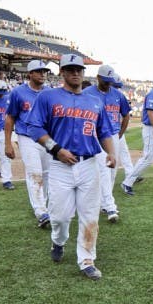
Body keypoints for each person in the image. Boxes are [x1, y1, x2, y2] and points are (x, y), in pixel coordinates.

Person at [26, 53, 116, 280]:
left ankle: (86, 259)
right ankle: (58, 241)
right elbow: (35, 128)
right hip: (60, 165)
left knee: (89, 215)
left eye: (79, 69)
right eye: (70, 69)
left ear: (83, 72)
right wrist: (56, 149)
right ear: (62, 72)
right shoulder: (48, 97)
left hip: (88, 164)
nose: (76, 73)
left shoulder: (95, 101)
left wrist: (112, 153)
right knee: (60, 217)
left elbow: (104, 131)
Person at [4, 60, 52, 227]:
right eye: (38, 71)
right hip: (27, 136)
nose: (42, 74)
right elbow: (10, 118)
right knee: (35, 173)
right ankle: (40, 211)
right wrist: (8, 143)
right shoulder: (18, 92)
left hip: (47, 137)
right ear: (30, 74)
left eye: (44, 71)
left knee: (47, 174)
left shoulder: (50, 92)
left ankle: (43, 205)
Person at [83, 64, 131, 223]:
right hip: (94, 136)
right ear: (97, 78)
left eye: (110, 81)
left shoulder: (118, 95)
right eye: (105, 81)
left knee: (111, 171)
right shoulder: (87, 93)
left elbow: (126, 115)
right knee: (101, 170)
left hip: (112, 136)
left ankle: (104, 202)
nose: (108, 84)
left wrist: (119, 135)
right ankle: (109, 205)